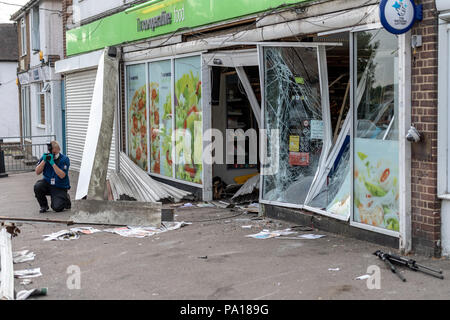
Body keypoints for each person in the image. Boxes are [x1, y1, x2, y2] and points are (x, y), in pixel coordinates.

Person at [34, 141, 71, 213]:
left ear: (58, 150)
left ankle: (66, 198)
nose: (52, 154)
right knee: (38, 186)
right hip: (48, 183)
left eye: (54, 153)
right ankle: (44, 206)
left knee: (57, 208)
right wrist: (44, 161)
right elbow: (37, 172)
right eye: (51, 152)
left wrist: (53, 163)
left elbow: (62, 175)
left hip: (59, 185)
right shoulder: (45, 157)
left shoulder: (64, 159)